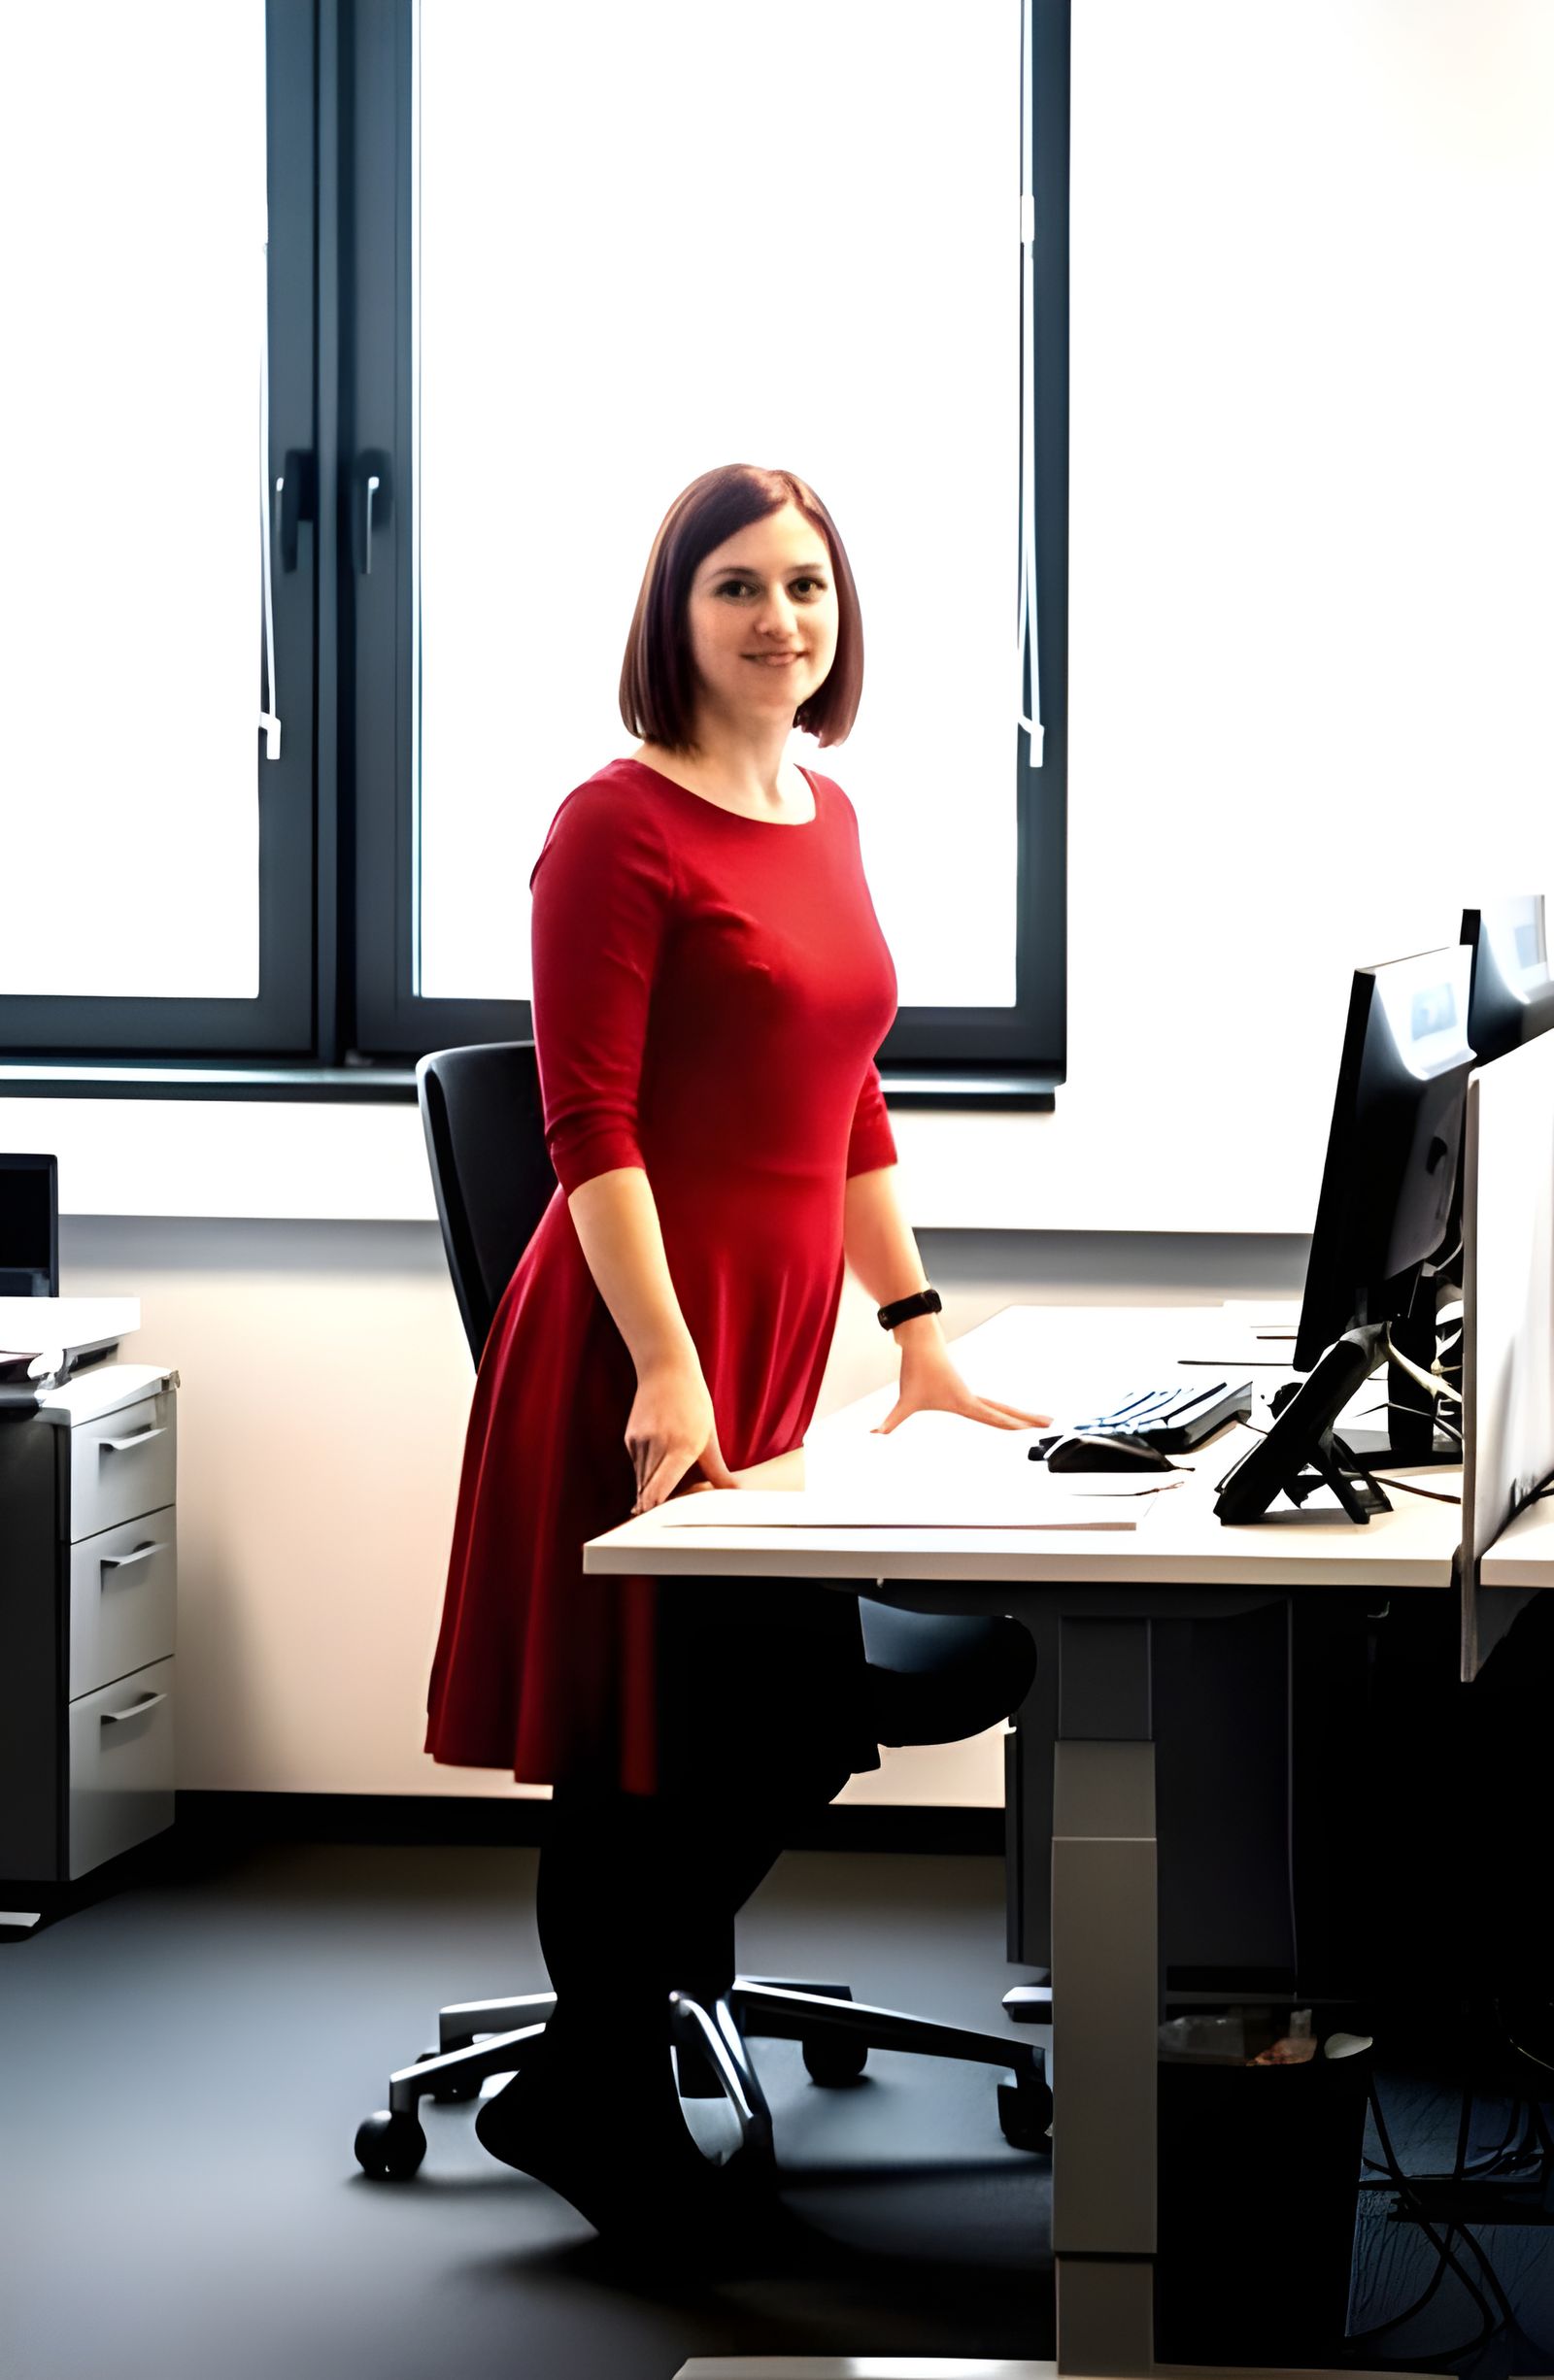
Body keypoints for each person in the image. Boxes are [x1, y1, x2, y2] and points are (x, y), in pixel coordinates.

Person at [422, 463, 1048, 2256]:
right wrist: (668, 1369)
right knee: (648, 1729)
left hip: (771, 1341)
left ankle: (596, 2058)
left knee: (773, 1716)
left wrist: (915, 1333)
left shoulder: (820, 810)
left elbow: (847, 1086)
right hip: (641, 1341)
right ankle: (598, 2085)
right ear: (672, 614)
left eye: (811, 587)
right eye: (739, 589)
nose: (784, 620)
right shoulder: (613, 827)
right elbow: (588, 1126)